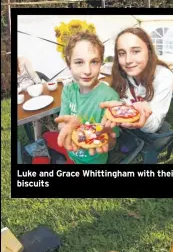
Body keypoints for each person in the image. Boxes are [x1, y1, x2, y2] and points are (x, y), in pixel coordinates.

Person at [43, 32, 120, 164]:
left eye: (94, 62)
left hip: (94, 160)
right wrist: (67, 128)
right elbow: (62, 123)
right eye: (79, 62)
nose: (87, 70)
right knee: (45, 136)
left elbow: (112, 142)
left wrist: (106, 137)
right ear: (69, 64)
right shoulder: (68, 90)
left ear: (101, 63)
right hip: (71, 153)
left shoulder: (109, 97)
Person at [100, 28, 173, 159]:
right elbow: (126, 102)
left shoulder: (164, 76)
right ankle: (129, 144)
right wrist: (121, 107)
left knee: (135, 143)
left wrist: (142, 117)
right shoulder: (122, 74)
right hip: (129, 126)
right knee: (124, 143)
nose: (128, 60)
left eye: (136, 51)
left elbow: (155, 124)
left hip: (153, 129)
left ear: (149, 51)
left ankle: (133, 145)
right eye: (122, 53)